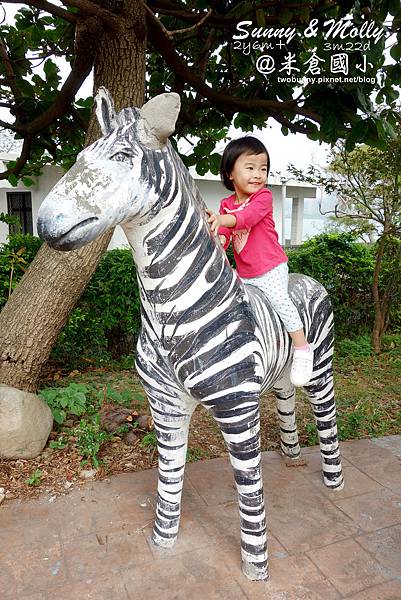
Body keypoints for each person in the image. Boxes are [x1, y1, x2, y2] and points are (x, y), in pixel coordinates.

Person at [206, 136, 313, 387]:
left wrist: (223, 221)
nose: (258, 174)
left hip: (270, 268)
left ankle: (302, 348)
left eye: (263, 169)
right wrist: (219, 241)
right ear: (230, 173)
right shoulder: (226, 204)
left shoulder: (262, 198)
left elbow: (246, 218)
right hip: (246, 272)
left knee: (279, 300)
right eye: (250, 167)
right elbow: (226, 235)